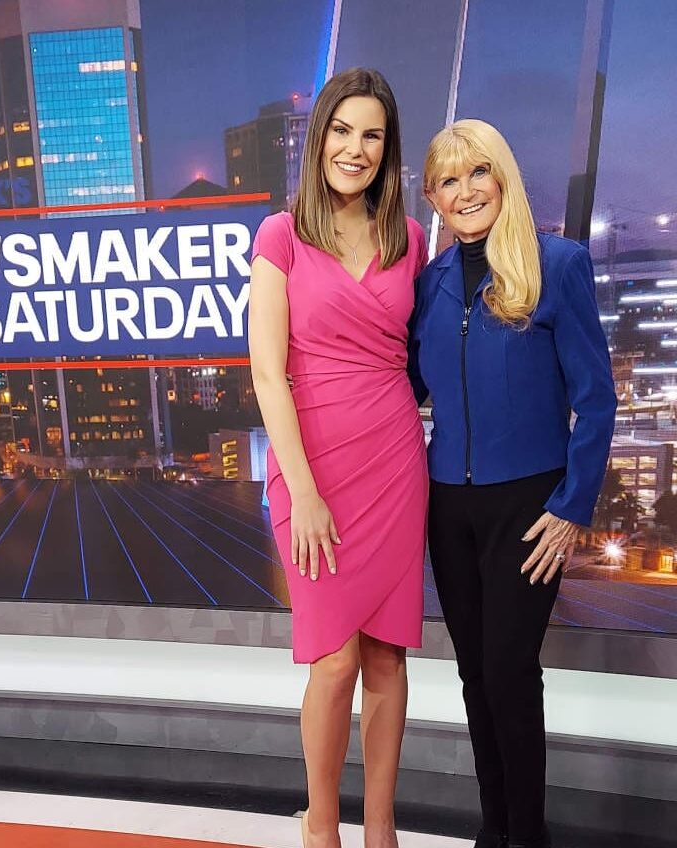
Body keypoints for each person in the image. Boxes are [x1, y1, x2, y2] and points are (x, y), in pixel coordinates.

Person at [410, 119, 616, 848]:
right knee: (474, 675)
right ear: (431, 195)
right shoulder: (428, 282)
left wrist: (572, 506)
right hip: (448, 506)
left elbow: (596, 398)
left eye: (478, 174)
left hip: (529, 505)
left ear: (502, 177)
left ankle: (527, 836)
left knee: (507, 671)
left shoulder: (557, 264)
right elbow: (403, 388)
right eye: (447, 180)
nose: (464, 192)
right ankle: (493, 828)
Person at [248, 68, 428, 848]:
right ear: (319, 135)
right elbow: (266, 371)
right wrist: (306, 491)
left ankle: (379, 831)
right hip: (311, 460)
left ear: (388, 151)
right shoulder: (280, 235)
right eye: (343, 130)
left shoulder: (409, 238)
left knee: (387, 656)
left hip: (393, 456)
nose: (356, 148)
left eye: (373, 135)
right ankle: (322, 828)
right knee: (335, 661)